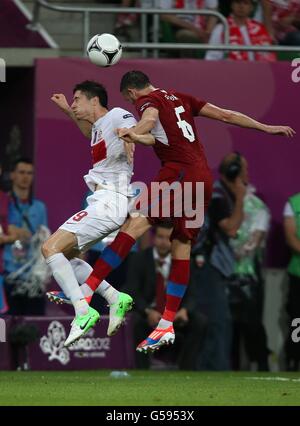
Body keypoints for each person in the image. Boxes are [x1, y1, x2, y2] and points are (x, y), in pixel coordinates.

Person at [51, 70, 294, 353]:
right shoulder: (181, 97)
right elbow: (226, 115)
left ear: (131, 93)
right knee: (182, 244)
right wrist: (265, 127)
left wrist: (135, 131)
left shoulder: (147, 100)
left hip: (177, 173)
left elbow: (150, 119)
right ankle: (166, 324)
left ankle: (88, 290)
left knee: (134, 225)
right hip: (202, 176)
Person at [42, 80, 155, 347]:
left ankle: (83, 311)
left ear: (95, 101)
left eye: (77, 99)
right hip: (102, 202)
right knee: (66, 256)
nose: (73, 104)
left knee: (50, 249)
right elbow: (87, 129)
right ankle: (115, 297)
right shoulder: (97, 130)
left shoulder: (115, 114)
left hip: (110, 202)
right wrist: (66, 110)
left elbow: (133, 124)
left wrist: (132, 134)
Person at [123, 221, 207, 369]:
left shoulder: (184, 261)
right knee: (135, 321)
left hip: (176, 316)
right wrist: (147, 311)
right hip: (149, 315)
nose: (163, 242)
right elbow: (131, 291)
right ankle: (141, 371)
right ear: (154, 238)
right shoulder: (139, 259)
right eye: (160, 237)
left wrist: (185, 310)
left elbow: (193, 293)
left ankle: (187, 370)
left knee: (199, 322)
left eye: (168, 238)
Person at [229, 183, 270, 370]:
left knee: (253, 324)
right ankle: (230, 367)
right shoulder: (223, 202)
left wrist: (240, 250)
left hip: (249, 274)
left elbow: (256, 239)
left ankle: (262, 365)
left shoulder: (257, 206)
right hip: (225, 274)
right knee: (229, 326)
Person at [3, 158, 49, 315]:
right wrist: (14, 233)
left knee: (34, 329)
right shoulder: (4, 204)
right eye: (21, 172)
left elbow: (43, 240)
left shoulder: (39, 207)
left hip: (32, 279)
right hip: (9, 275)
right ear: (13, 175)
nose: (25, 177)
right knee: (8, 332)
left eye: (29, 173)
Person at [206, 0, 276, 62]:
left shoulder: (259, 29)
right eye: (238, 2)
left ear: (251, 7)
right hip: (231, 73)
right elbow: (211, 58)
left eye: (245, 3)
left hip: (259, 72)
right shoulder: (221, 28)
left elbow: (269, 57)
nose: (241, 6)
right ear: (232, 5)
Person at [283, 192, 300, 370]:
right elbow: (291, 238)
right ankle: (295, 358)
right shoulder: (294, 204)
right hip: (298, 272)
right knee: (297, 319)